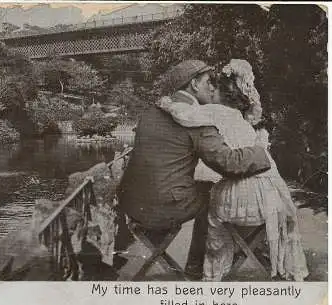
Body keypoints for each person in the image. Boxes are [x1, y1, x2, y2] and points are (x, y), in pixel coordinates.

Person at [117, 59, 272, 279]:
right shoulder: (195, 119)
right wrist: (260, 149)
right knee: (215, 196)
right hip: (162, 210)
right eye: (209, 81)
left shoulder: (152, 111)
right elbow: (229, 163)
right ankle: (196, 267)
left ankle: (201, 262)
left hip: (132, 206)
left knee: (203, 189)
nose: (213, 87)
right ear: (194, 84)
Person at [158, 59, 309, 281]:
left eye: (214, 87)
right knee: (218, 191)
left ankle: (213, 272)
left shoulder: (216, 111)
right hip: (270, 197)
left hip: (248, 199)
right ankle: (243, 256)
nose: (210, 91)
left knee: (212, 212)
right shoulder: (238, 117)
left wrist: (166, 103)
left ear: (222, 93)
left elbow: (183, 114)